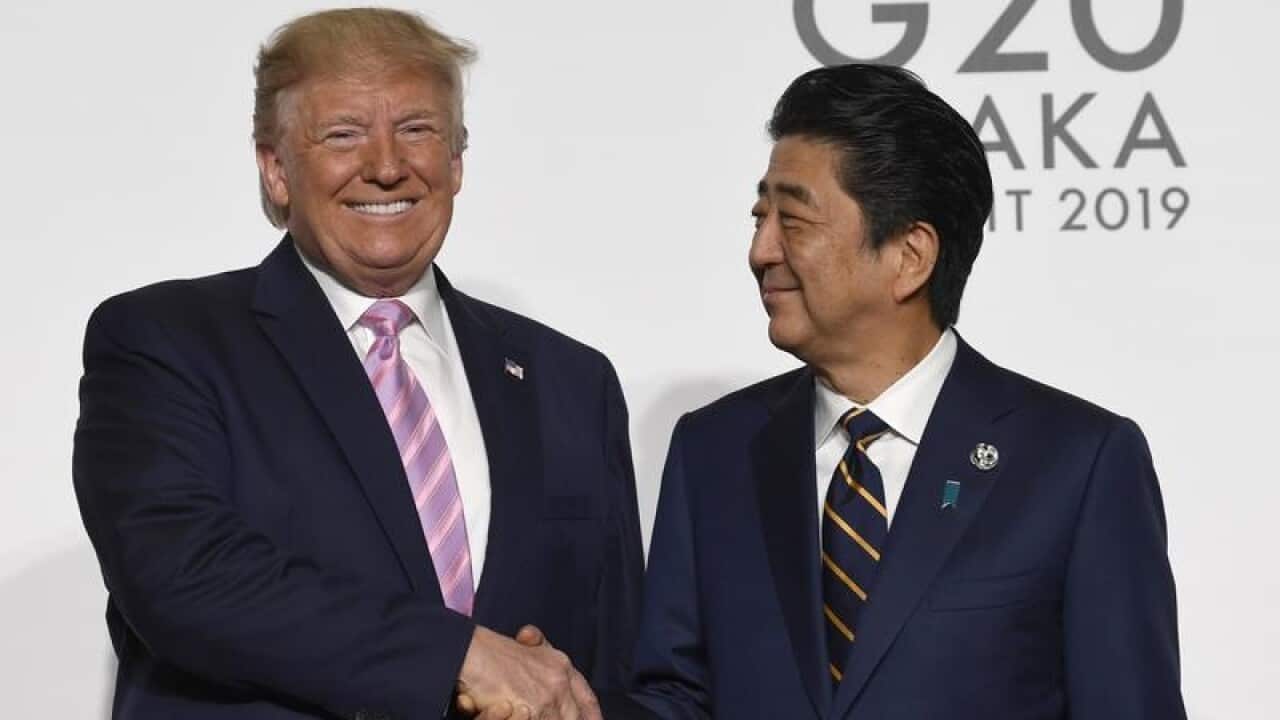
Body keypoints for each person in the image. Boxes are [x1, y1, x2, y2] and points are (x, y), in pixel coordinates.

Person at [72, 8, 642, 720]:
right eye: (344, 134)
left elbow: (616, 664)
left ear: (457, 161)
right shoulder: (165, 343)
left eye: (418, 129)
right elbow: (181, 575)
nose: (386, 166)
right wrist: (456, 655)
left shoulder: (572, 383)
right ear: (276, 169)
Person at [629, 64, 1186, 719]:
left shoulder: (1078, 463)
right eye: (759, 216)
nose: (761, 251)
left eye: (793, 220)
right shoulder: (713, 451)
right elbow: (675, 697)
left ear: (910, 256)